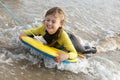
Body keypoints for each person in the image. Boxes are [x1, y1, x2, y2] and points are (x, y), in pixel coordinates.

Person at [19, 7, 97, 62]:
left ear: (60, 24)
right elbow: (28, 32)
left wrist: (67, 55)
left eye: (53, 21)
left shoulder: (63, 36)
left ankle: (94, 49)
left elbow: (74, 53)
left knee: (81, 50)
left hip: (70, 39)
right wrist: (22, 35)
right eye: (48, 20)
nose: (49, 23)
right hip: (58, 44)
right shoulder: (42, 29)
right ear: (44, 19)